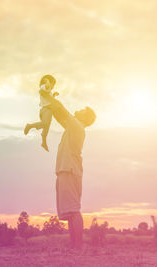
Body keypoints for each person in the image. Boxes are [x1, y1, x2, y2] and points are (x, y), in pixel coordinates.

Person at [39, 87, 96, 249]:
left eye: (82, 110)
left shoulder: (77, 126)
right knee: (71, 211)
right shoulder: (73, 126)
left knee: (74, 210)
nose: (78, 110)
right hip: (67, 170)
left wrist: (49, 96)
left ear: (85, 118)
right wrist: (51, 102)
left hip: (70, 170)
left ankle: (77, 246)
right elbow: (59, 116)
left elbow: (62, 111)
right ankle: (74, 246)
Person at [24, 75, 58, 152]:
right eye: (53, 84)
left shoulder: (48, 90)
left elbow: (49, 99)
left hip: (46, 110)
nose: (53, 87)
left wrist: (54, 95)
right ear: (48, 82)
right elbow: (46, 87)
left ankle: (44, 142)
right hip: (46, 110)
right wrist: (47, 82)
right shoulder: (44, 87)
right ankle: (30, 126)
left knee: (46, 128)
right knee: (46, 125)